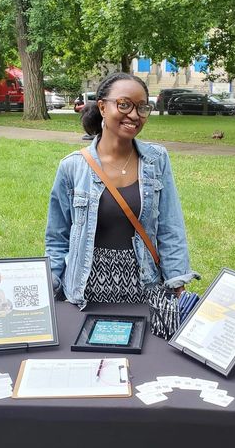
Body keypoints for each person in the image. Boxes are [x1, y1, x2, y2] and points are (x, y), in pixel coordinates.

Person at [45, 71, 199, 313]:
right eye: (124, 105)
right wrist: (48, 287)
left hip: (145, 291)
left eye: (142, 107)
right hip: (85, 295)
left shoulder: (156, 159)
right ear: (103, 107)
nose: (134, 115)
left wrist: (176, 280)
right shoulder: (72, 166)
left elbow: (170, 227)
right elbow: (57, 237)